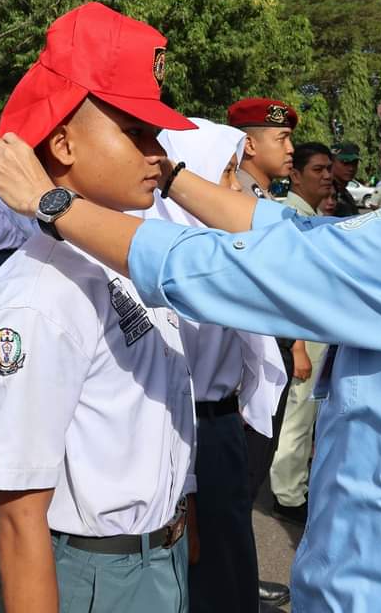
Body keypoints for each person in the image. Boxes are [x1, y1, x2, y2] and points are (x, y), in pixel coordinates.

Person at [0, 0, 381, 612]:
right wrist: (174, 178)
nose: (380, 108)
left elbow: (230, 267)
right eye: (137, 134)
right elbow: (301, 234)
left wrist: (52, 203)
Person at [0, 1, 201, 613]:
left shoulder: (120, 258)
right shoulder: (40, 299)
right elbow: (20, 518)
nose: (159, 153)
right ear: (64, 143)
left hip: (158, 557)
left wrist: (182, 522)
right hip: (103, 574)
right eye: (135, 132)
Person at [142, 118, 288, 613]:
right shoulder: (171, 268)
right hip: (191, 431)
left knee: (229, 546)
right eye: (224, 174)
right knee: (202, 558)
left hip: (223, 423)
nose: (230, 189)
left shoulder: (216, 250)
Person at [226, 96, 296, 607]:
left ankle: (235, 581)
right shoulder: (233, 202)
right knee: (238, 482)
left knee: (245, 485)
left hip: (271, 350)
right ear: (248, 144)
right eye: (281, 139)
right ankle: (231, 588)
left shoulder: (264, 200)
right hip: (247, 360)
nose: (289, 148)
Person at [269, 142, 333, 527]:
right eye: (317, 170)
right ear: (295, 176)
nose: (326, 176)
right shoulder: (290, 215)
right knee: (296, 417)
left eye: (329, 169)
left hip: (313, 333)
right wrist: (297, 347)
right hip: (302, 337)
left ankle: (294, 485)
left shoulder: (308, 213)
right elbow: (286, 289)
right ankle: (288, 494)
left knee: (304, 417)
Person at [228, 97, 296, 200]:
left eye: (289, 139)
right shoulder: (238, 198)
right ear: (249, 146)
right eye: (281, 139)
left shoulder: (262, 194)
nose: (290, 149)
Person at [328, 142, 361, 216]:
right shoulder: (324, 194)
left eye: (354, 163)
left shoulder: (346, 195)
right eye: (345, 162)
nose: (351, 168)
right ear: (331, 162)